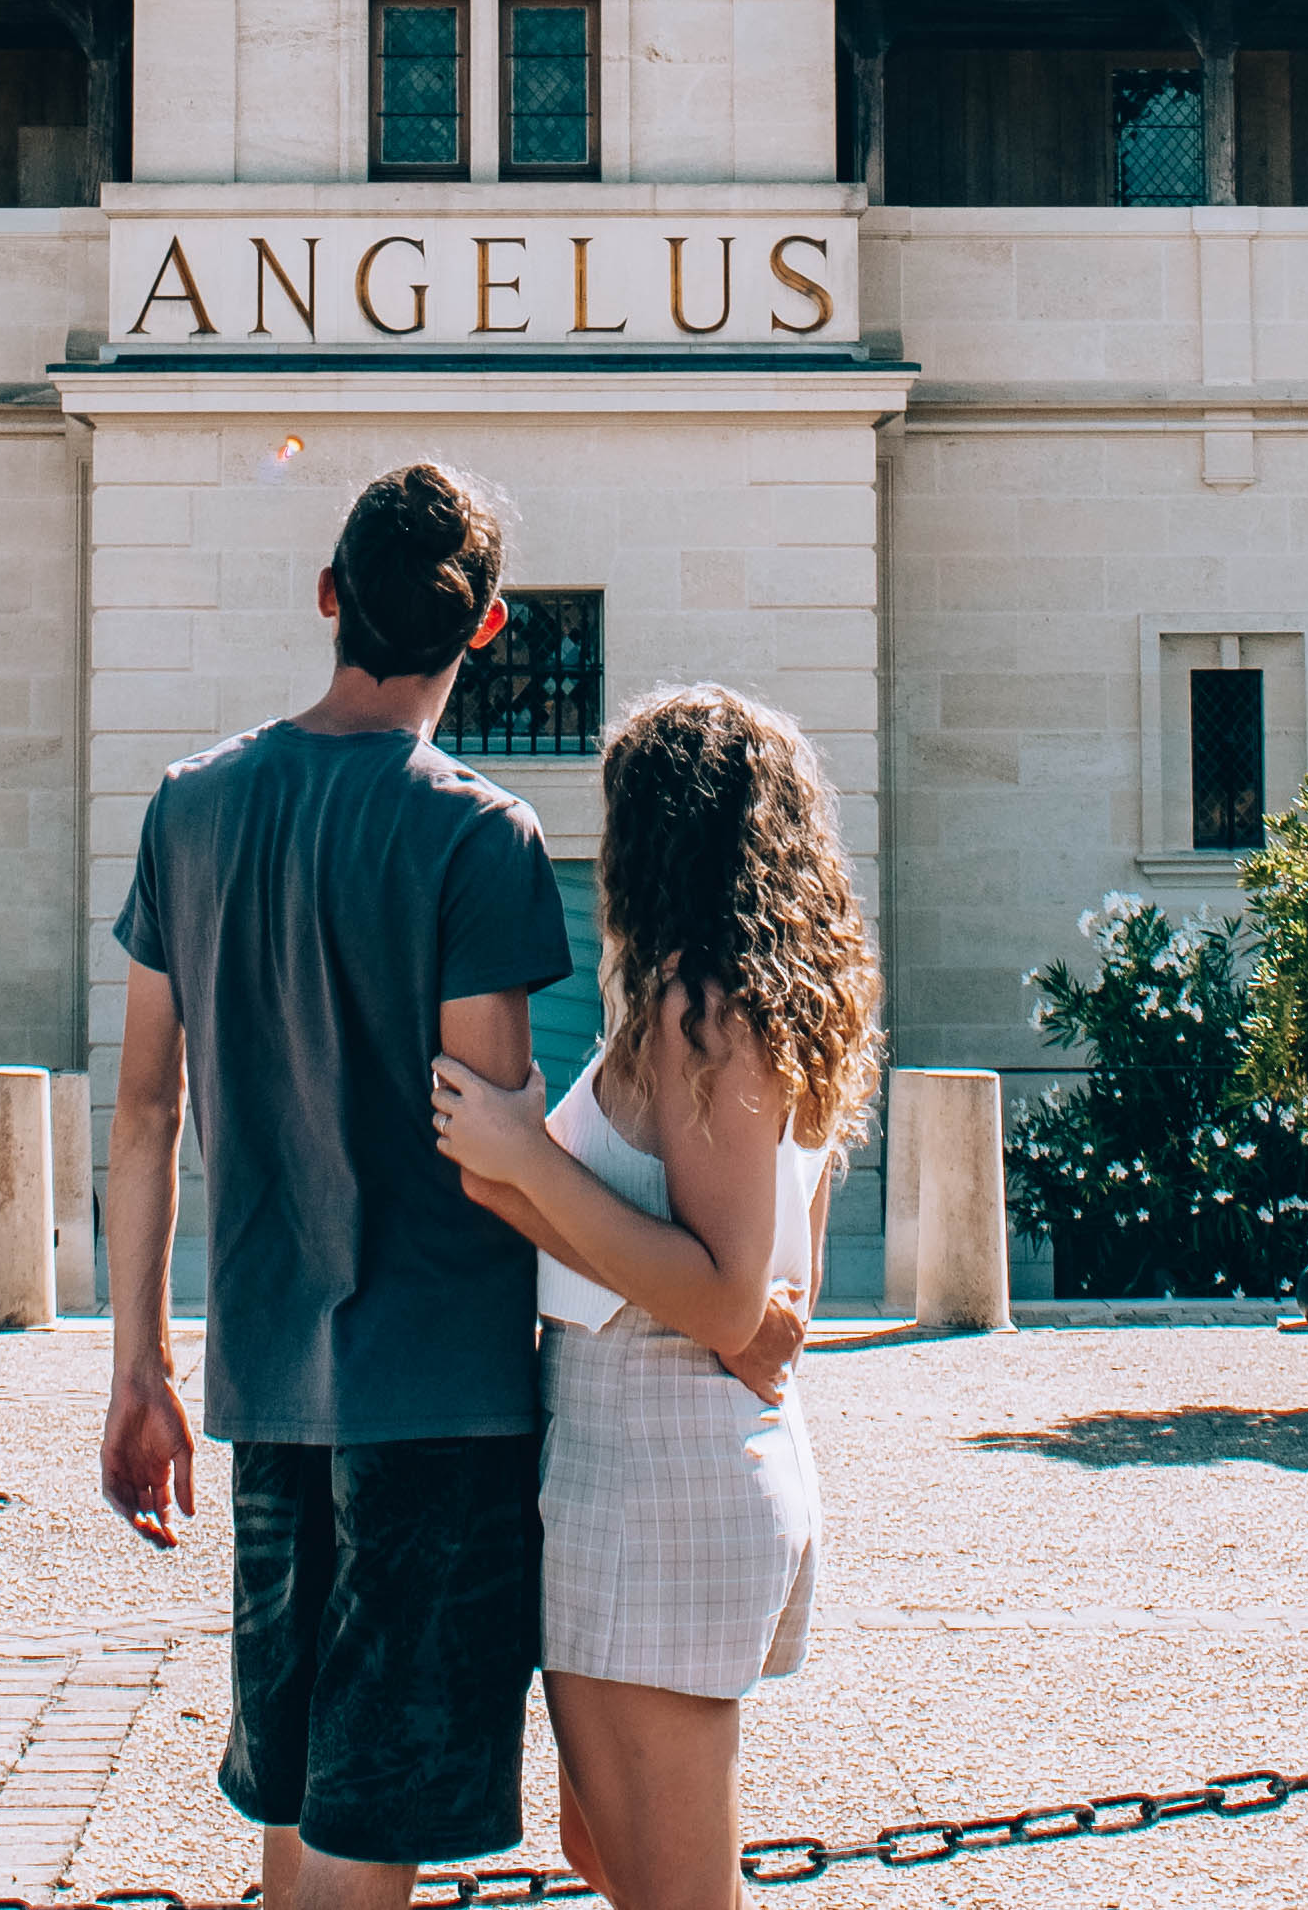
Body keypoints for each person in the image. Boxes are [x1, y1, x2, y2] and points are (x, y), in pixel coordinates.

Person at [96, 461, 606, 1910]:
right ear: (489, 626)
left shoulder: (187, 808)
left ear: (327, 596)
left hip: (264, 1377)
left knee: (303, 1800)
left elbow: (145, 1103)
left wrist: (139, 1363)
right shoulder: (479, 835)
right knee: (364, 1824)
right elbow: (492, 1143)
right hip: (437, 1388)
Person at [426, 682, 876, 1910]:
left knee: (669, 1890)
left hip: (660, 1463)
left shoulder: (703, 1010)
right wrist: (520, 1175)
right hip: (645, 1454)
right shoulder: (731, 1002)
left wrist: (523, 1161)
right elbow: (780, 1293)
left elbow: (736, 1299)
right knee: (604, 1856)